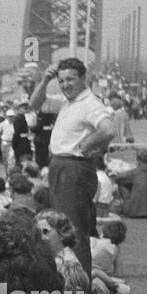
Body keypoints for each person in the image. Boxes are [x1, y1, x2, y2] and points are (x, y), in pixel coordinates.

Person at [29, 57, 114, 276]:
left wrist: (87, 144)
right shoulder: (69, 102)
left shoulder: (90, 104)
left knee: (73, 231)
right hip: (61, 166)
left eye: (71, 79)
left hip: (73, 167)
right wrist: (46, 79)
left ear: (83, 79)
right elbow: (34, 104)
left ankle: (80, 292)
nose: (66, 84)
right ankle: (70, 282)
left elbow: (108, 129)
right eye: (62, 80)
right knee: (62, 229)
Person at [111, 148, 147, 217]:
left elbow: (118, 179)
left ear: (138, 161)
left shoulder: (135, 172)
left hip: (134, 212)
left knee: (122, 183)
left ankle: (128, 205)